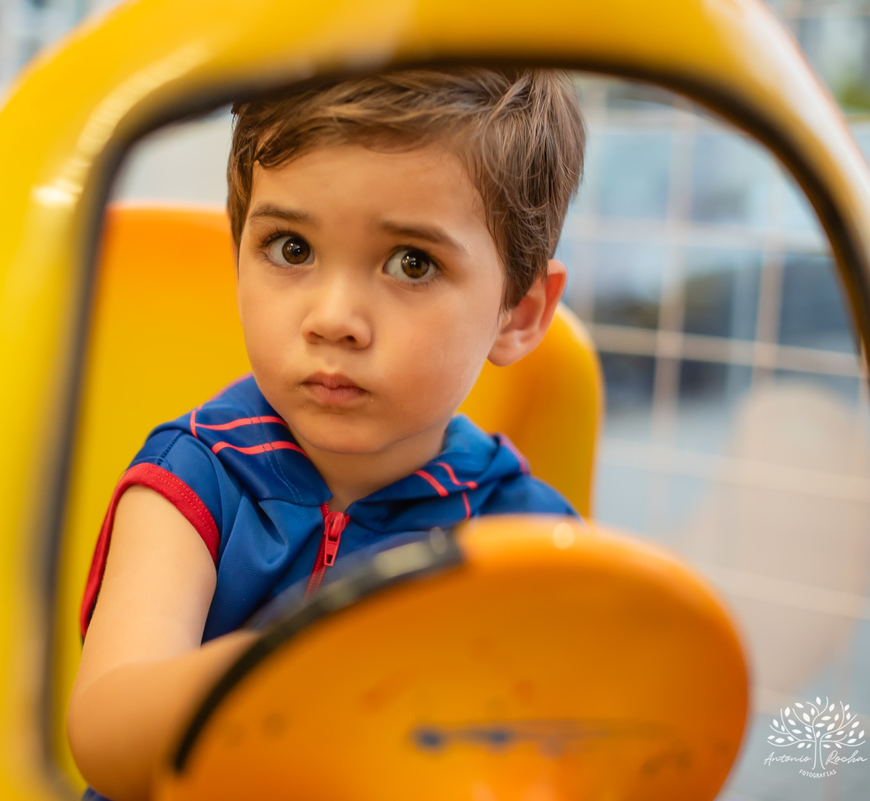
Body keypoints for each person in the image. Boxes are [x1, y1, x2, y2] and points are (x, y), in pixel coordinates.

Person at [67, 65, 586, 801]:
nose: (333, 317)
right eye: (291, 249)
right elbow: (106, 733)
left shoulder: (529, 539)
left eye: (412, 262)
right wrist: (309, 671)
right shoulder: (194, 480)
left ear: (521, 310)